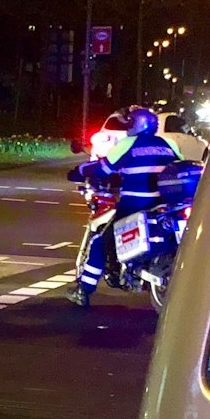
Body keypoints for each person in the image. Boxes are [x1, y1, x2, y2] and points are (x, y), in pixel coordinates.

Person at [71, 105, 180, 307]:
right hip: (163, 205)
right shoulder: (167, 144)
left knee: (100, 242)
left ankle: (83, 290)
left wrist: (79, 171)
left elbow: (104, 168)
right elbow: (178, 165)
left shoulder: (129, 143)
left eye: (130, 123)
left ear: (137, 125)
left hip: (134, 204)